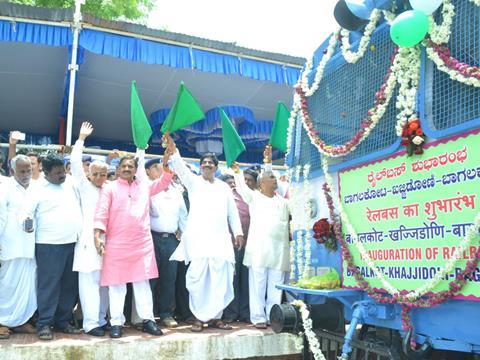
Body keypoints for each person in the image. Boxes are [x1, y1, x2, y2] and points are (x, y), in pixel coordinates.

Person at [165, 134, 244, 332]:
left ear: (216, 168)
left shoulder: (224, 187)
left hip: (220, 241)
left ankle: (217, 317)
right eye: (204, 162)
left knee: (220, 279)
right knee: (197, 279)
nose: (207, 165)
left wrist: (238, 233)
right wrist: (174, 150)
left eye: (211, 163)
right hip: (199, 240)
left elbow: (232, 213)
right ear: (200, 166)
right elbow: (181, 168)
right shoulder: (193, 182)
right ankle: (199, 318)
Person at [93, 151, 173, 338]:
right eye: (124, 166)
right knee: (116, 285)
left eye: (131, 166)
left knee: (142, 284)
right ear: (118, 169)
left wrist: (167, 165)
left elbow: (163, 182)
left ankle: (148, 321)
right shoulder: (109, 188)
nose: (127, 168)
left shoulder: (144, 186)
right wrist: (97, 236)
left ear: (136, 170)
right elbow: (101, 212)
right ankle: (116, 324)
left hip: (141, 244)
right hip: (116, 244)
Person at [24, 153, 83, 340]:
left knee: (69, 286)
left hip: (72, 243)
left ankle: (63, 322)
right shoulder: (36, 188)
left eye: (63, 171)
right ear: (45, 172)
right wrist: (27, 223)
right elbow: (27, 213)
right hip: (48, 245)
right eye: (57, 173)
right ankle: (44, 324)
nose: (62, 175)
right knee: (48, 286)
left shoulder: (72, 182)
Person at [231, 158, 290, 329]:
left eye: (275, 177)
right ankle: (258, 318)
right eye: (271, 177)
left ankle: (273, 317)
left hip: (279, 251)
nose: (275, 180)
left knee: (275, 287)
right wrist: (236, 172)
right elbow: (242, 187)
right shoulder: (254, 197)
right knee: (257, 285)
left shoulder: (284, 202)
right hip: (259, 250)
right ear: (262, 183)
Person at [71, 122, 109, 337]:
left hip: (109, 242)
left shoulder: (110, 189)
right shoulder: (84, 187)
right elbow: (75, 163)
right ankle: (91, 323)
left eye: (103, 174)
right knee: (89, 284)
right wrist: (81, 139)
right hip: (87, 243)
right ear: (89, 174)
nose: (99, 178)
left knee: (105, 283)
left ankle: (102, 320)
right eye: (95, 174)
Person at [146, 158, 188, 328]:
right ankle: (147, 315)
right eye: (156, 168)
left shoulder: (176, 191)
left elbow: (183, 216)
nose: (161, 170)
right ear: (148, 171)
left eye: (163, 167)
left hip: (171, 240)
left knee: (169, 279)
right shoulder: (148, 189)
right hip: (151, 239)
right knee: (150, 279)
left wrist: (183, 236)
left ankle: (166, 314)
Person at [0, 155, 37, 339]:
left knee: (26, 286)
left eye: (29, 170)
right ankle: (2, 321)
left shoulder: (36, 187)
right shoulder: (5, 187)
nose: (26, 174)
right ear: (13, 170)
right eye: (22, 171)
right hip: (10, 244)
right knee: (7, 284)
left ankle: (20, 321)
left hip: (30, 246)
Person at [218, 174, 250, 324]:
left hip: (248, 245)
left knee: (246, 280)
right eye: (228, 183)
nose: (232, 185)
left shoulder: (245, 197)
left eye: (233, 182)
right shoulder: (221, 197)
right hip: (227, 245)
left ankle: (245, 313)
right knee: (231, 280)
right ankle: (230, 313)